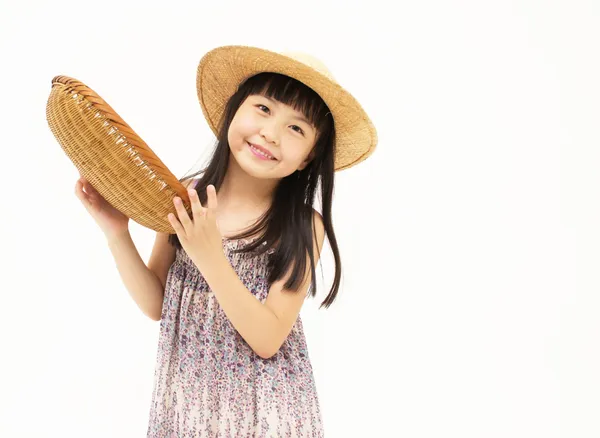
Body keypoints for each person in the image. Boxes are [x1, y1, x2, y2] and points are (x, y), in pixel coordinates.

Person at [74, 45, 377, 437]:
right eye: (264, 109)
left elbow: (268, 339)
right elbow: (156, 303)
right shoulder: (187, 196)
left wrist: (211, 258)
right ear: (234, 109)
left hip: (263, 414)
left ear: (308, 157)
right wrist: (117, 232)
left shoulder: (303, 225)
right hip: (187, 405)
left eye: (296, 128)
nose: (270, 133)